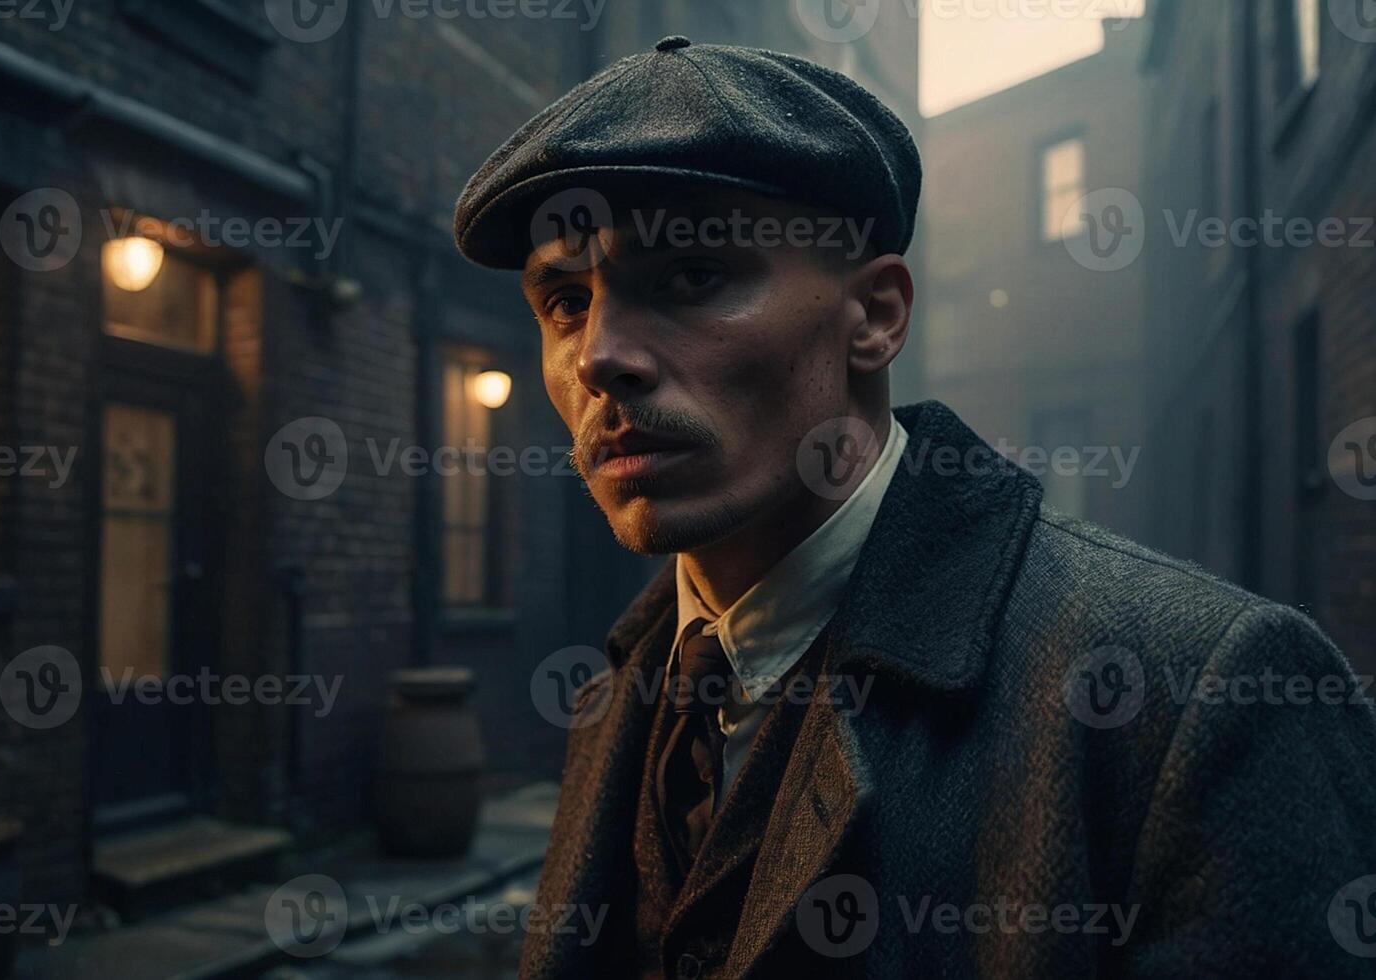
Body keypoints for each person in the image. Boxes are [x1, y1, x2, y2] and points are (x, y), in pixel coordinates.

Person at [453, 36, 1376, 978]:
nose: (602, 354)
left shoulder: (1197, 698)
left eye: (693, 276)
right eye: (565, 301)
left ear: (876, 317)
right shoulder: (624, 691)